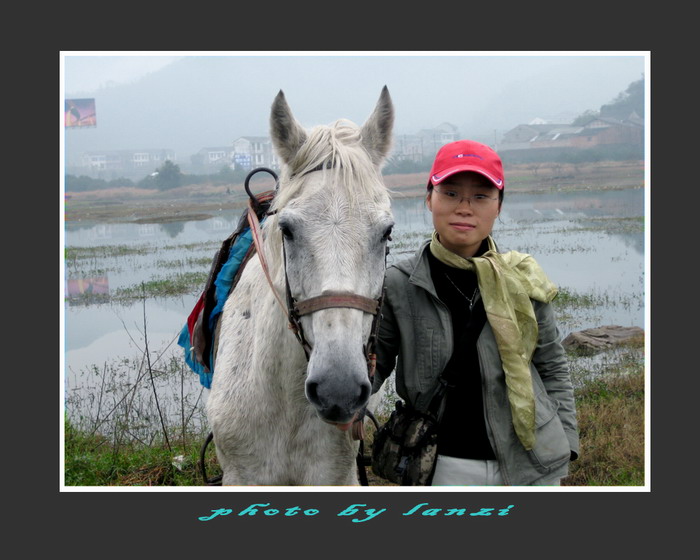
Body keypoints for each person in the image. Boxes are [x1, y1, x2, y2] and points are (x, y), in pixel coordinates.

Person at [373, 139, 579, 486]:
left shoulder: (522, 278)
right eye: (450, 193)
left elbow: (552, 366)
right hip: (441, 466)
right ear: (429, 199)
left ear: (499, 206)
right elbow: (374, 364)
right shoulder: (399, 283)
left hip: (530, 463)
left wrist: (567, 442)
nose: (464, 208)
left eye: (481, 196)